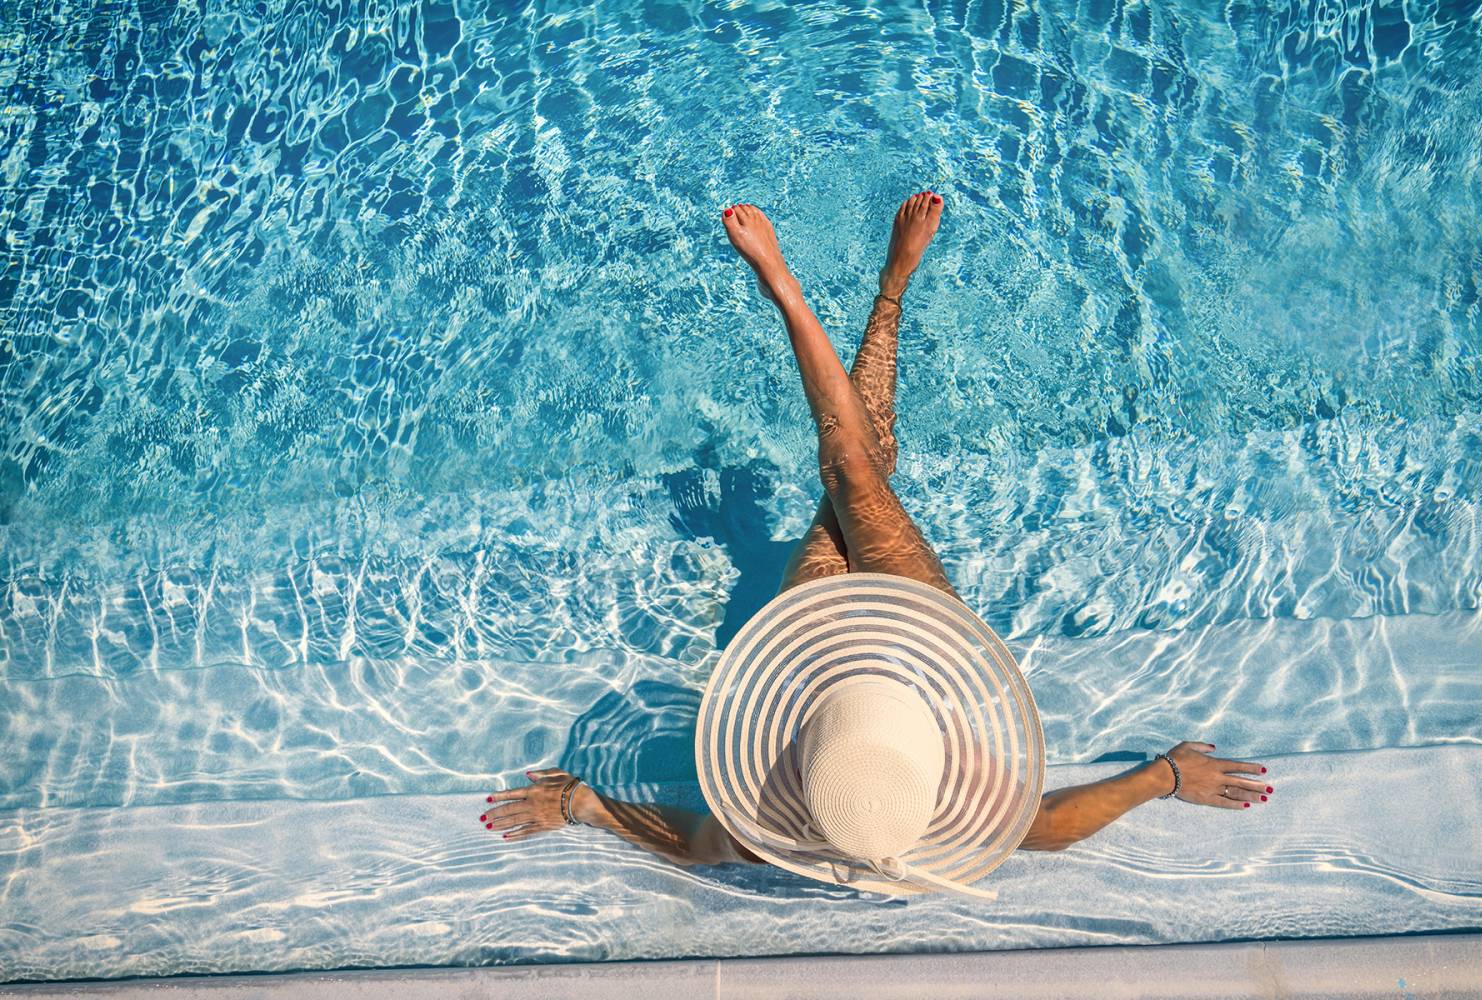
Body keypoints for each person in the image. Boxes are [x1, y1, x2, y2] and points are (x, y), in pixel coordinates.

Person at [479, 193, 1272, 893]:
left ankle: (796, 294)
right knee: (859, 473)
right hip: (916, 632)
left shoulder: (781, 834)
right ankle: (884, 291)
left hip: (813, 641)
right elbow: (1055, 824)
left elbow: (692, 843)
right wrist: (1163, 776)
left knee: (853, 474)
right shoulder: (956, 813)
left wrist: (580, 804)